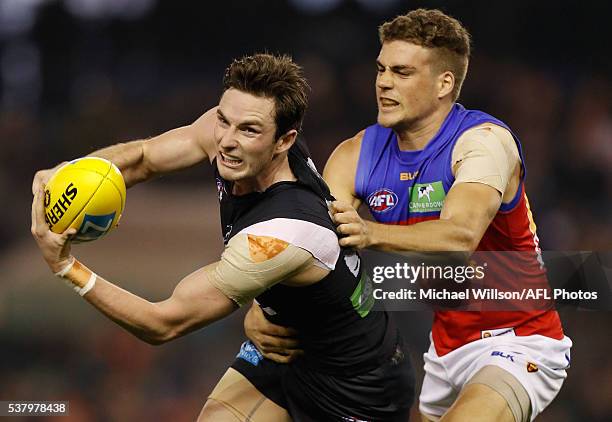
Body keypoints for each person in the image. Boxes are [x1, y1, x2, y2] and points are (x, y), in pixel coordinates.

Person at [31, 53, 414, 422]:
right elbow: (144, 158)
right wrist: (72, 172)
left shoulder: (280, 235)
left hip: (358, 390)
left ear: (284, 140)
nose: (227, 141)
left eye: (248, 130)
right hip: (280, 349)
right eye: (224, 121)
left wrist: (66, 266)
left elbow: (162, 323)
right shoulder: (230, 136)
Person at [243, 9, 572, 422]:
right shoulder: (356, 153)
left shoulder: (485, 143)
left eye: (402, 72)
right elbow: (311, 244)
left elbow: (459, 237)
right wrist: (266, 303)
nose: (383, 82)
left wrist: (369, 233)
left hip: (520, 341)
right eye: (381, 69)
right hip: (444, 351)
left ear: (444, 83)